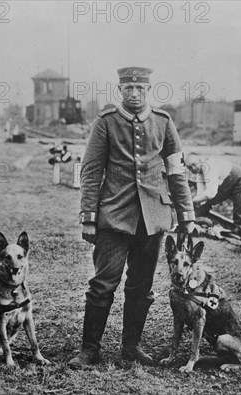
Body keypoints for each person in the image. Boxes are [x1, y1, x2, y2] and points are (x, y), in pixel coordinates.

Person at [72, 67, 196, 369]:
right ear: (120, 90)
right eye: (129, 88)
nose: (134, 93)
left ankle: (131, 346)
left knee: (141, 287)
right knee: (103, 284)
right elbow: (90, 171)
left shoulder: (164, 123)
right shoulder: (106, 123)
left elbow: (176, 172)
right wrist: (89, 217)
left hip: (152, 218)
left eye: (140, 88)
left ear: (148, 89)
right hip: (114, 218)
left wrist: (187, 214)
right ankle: (90, 350)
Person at [185, 153, 241, 242]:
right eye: (189, 167)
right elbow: (201, 195)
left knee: (240, 208)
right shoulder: (199, 175)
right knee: (206, 203)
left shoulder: (208, 167)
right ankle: (199, 222)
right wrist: (194, 208)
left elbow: (210, 193)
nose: (193, 169)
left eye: (194, 165)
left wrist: (192, 201)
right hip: (228, 182)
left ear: (200, 161)